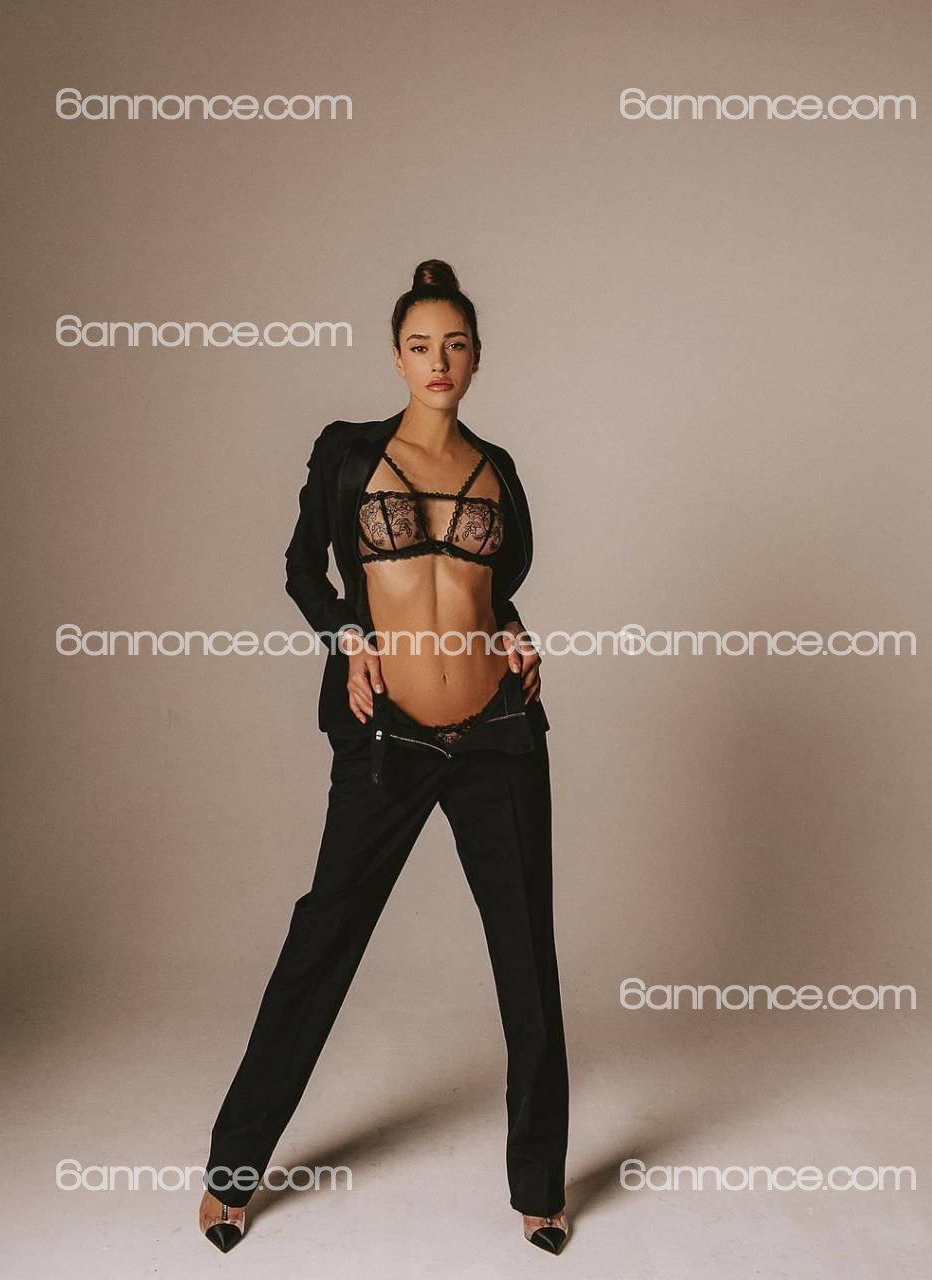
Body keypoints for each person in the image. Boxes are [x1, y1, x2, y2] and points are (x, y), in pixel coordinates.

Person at [197, 259, 570, 1256]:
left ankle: (539, 1184)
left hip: (498, 732)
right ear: (396, 356)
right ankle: (232, 1171)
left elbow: (492, 585)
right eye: (419, 344)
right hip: (386, 738)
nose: (438, 361)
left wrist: (516, 632)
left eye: (456, 344)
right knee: (323, 937)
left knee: (526, 955)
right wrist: (347, 637)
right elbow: (303, 569)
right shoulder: (349, 453)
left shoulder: (498, 469)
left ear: (477, 357)